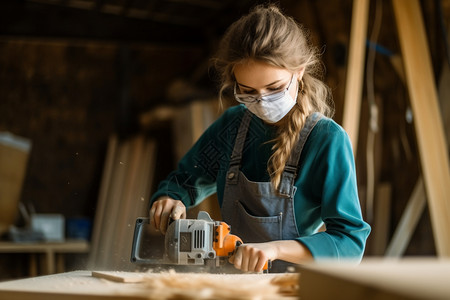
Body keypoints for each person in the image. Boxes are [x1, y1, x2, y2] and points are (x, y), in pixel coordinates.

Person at [148, 4, 370, 273]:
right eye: (248, 91)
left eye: (274, 88)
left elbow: (348, 242)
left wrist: (274, 249)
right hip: (232, 284)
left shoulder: (327, 140)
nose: (263, 102)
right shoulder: (231, 126)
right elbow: (184, 181)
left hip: (289, 287)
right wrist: (170, 198)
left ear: (298, 72)